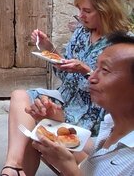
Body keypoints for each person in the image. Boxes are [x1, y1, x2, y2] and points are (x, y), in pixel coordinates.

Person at [1, 0, 130, 176]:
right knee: (21, 97)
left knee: (34, 128)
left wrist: (86, 71)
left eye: (87, 11)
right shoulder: (81, 32)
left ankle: (16, 170)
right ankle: (13, 166)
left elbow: (118, 88)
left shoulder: (123, 44)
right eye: (79, 9)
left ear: (106, 11)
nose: (81, 16)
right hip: (67, 98)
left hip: (92, 113)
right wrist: (48, 49)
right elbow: (65, 73)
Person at [30, 31, 134, 175]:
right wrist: (56, 126)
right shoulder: (110, 126)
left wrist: (68, 167)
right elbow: (94, 167)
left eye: (104, 70)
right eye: (95, 68)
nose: (91, 78)